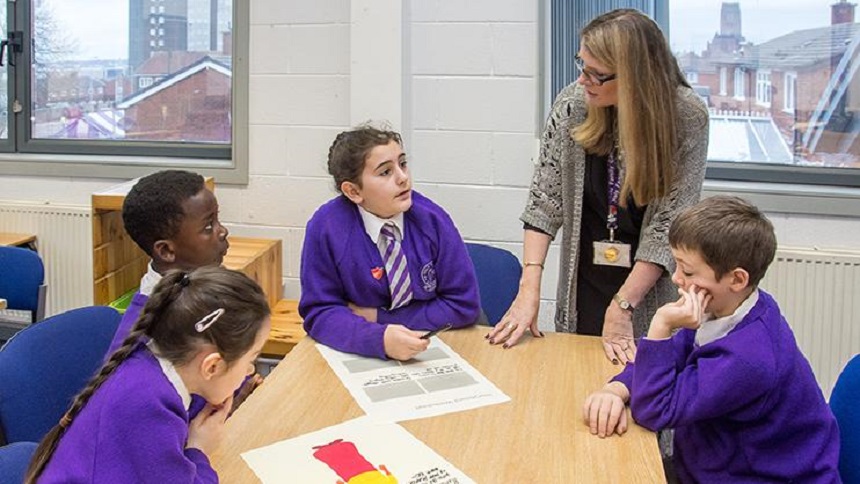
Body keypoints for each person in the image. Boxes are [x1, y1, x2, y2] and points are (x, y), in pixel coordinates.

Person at [488, 9, 709, 364]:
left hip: (647, 289)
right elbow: (545, 201)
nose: (582, 80)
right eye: (581, 65)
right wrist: (529, 289)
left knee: (640, 393)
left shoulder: (686, 118)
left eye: (596, 74)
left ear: (637, 77)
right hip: (585, 282)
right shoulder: (574, 105)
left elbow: (666, 229)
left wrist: (623, 307)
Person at [582, 196, 841, 482]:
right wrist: (616, 389)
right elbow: (673, 358)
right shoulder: (726, 309)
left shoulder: (748, 357)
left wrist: (660, 325)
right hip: (710, 465)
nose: (677, 279)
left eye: (688, 271)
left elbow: (655, 410)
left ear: (737, 280)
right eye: (677, 265)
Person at [26, 266, 272, 483]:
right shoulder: (150, 409)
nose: (250, 371)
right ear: (212, 367)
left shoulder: (150, 360)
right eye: (251, 360)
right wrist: (199, 451)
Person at [299, 124, 481, 361]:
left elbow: (464, 305)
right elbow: (320, 312)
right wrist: (378, 339)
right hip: (360, 352)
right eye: (385, 172)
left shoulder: (433, 220)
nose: (403, 178)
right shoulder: (326, 228)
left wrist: (380, 319)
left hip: (439, 343)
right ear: (353, 191)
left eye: (402, 164)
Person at [106, 170, 230, 355]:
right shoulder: (158, 330)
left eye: (217, 219)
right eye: (208, 226)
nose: (223, 231)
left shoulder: (197, 287)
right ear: (166, 251)